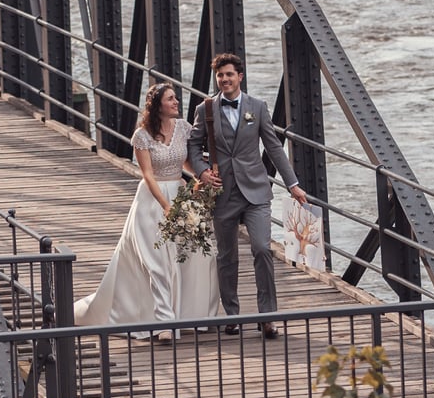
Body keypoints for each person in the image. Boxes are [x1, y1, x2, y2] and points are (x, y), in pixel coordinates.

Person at [75, 82, 219, 339]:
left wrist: (200, 178)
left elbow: (183, 160)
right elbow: (148, 175)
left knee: (187, 256)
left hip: (180, 192)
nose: (176, 102)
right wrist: (165, 205)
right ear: (158, 106)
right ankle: (163, 323)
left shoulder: (183, 128)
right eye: (171, 99)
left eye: (176, 98)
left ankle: (188, 315)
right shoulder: (142, 136)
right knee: (157, 262)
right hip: (152, 202)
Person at [188, 53, 308, 339]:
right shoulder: (205, 109)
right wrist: (203, 172)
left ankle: (267, 316)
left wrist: (293, 184)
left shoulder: (258, 107)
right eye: (220, 75)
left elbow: (274, 148)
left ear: (240, 76)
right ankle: (232, 315)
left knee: (262, 249)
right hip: (222, 193)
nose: (225, 79)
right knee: (226, 256)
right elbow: (193, 146)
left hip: (256, 191)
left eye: (229, 74)